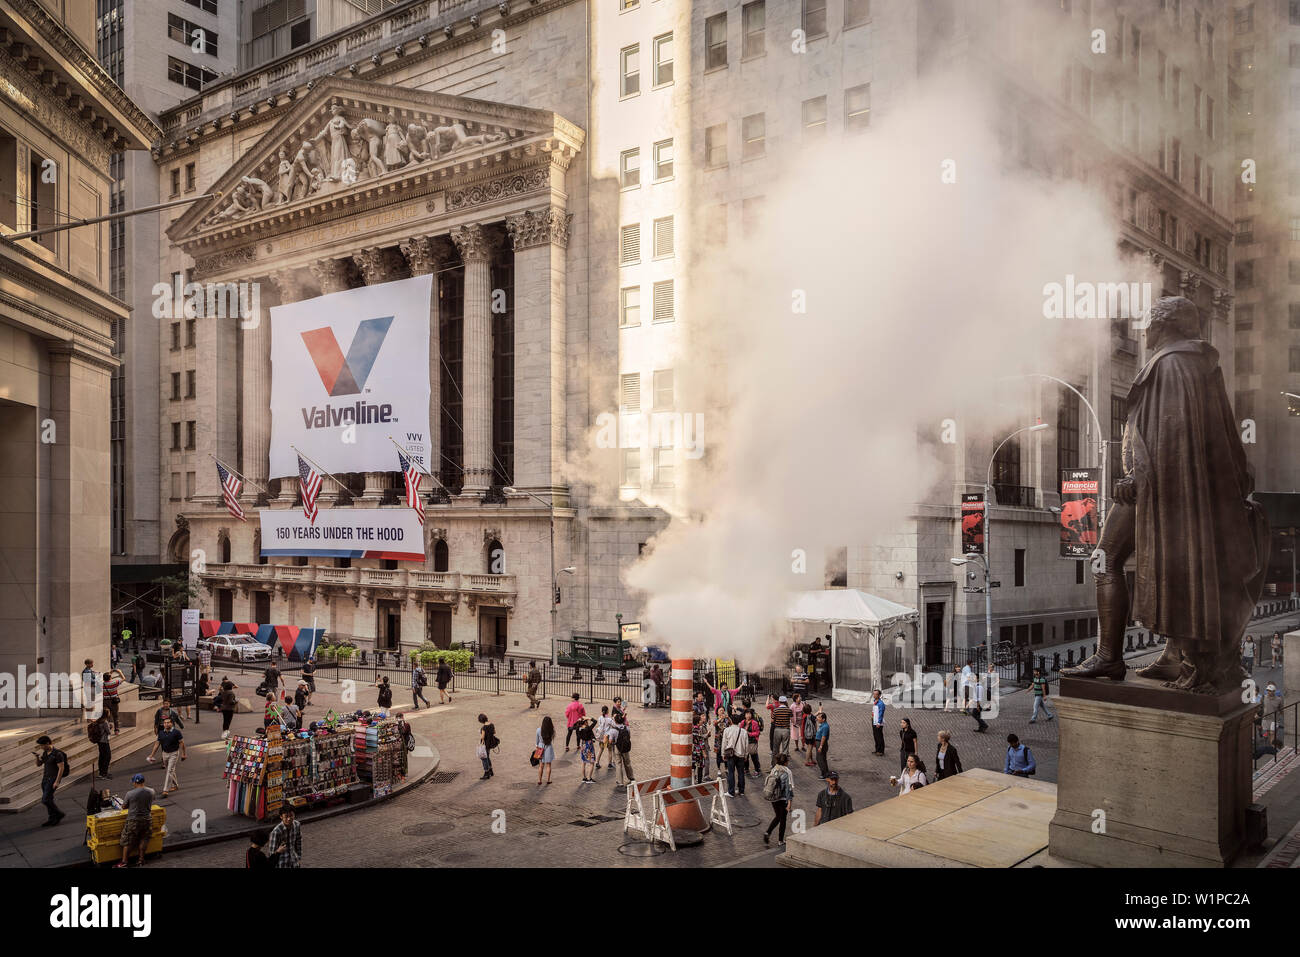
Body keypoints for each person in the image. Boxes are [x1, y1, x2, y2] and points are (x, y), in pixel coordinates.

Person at [116, 773, 154, 868]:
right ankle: (141, 860)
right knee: (144, 839)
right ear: (143, 781)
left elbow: (124, 806)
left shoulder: (130, 793)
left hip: (133, 820)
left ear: (134, 782)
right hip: (147, 819)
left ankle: (124, 862)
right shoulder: (151, 791)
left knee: (127, 840)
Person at [147, 714, 186, 795]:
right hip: (164, 754)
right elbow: (157, 744)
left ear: (171, 723)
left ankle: (165, 790)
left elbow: (182, 743)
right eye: (165, 723)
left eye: (168, 722)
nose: (166, 724)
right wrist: (152, 755)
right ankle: (175, 785)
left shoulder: (176, 732)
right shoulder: (161, 733)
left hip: (174, 753)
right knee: (171, 770)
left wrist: (184, 754)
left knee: (169, 771)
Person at [34, 735, 69, 826]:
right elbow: (39, 764)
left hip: (53, 779)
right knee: (49, 799)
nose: (41, 747)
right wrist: (37, 757)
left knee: (45, 800)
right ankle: (52, 818)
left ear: (47, 743)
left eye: (42, 745)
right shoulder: (45, 753)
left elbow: (61, 768)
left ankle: (59, 814)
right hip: (45, 779)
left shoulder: (57, 754)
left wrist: (57, 781)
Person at [763, 752, 794, 846]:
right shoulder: (787, 772)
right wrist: (789, 803)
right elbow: (789, 789)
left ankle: (768, 832)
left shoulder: (774, 769)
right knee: (783, 819)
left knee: (778, 816)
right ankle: (780, 840)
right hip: (782, 798)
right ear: (785, 762)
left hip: (773, 798)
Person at [721, 715, 749, 797]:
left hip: (730, 755)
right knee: (741, 773)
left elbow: (724, 743)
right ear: (739, 722)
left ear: (731, 721)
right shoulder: (743, 731)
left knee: (731, 773)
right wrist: (746, 755)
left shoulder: (727, 730)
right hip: (741, 755)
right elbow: (746, 745)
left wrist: (723, 754)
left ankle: (731, 791)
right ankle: (741, 791)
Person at [612, 712, 635, 788]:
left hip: (617, 748)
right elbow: (629, 736)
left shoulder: (614, 730)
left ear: (615, 721)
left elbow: (611, 741)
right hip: (626, 748)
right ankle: (631, 777)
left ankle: (620, 781)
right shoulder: (627, 728)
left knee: (618, 764)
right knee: (627, 763)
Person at [89, 713, 112, 778]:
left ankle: (101, 772)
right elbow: (108, 732)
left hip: (99, 741)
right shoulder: (105, 722)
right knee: (107, 757)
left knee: (102, 756)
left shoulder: (98, 721)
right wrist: (110, 727)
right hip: (104, 741)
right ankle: (104, 773)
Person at [102, 668, 124, 734]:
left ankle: (107, 728)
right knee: (115, 715)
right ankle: (116, 730)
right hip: (113, 701)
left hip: (105, 701)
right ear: (110, 677)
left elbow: (105, 678)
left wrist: (109, 673)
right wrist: (120, 672)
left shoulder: (101, 684)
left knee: (106, 715)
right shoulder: (114, 683)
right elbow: (123, 679)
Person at [742, 708, 763, 776]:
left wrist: (749, 733)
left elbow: (757, 733)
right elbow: (740, 730)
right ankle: (746, 769)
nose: (748, 715)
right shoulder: (743, 722)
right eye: (746, 714)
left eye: (749, 714)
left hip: (752, 742)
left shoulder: (754, 723)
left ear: (751, 715)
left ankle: (757, 769)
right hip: (745, 742)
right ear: (744, 715)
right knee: (746, 757)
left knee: (754, 756)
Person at [535, 715, 556, 785]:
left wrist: (537, 748)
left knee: (541, 765)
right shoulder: (552, 730)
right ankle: (548, 780)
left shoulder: (538, 730)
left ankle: (539, 780)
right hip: (548, 747)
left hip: (540, 747)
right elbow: (553, 738)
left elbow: (536, 742)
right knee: (548, 765)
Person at [691, 710, 711, 783]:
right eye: (700, 720)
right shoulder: (697, 730)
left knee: (693, 766)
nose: (701, 721)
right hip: (698, 751)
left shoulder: (693, 729)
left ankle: (693, 780)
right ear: (697, 722)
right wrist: (704, 753)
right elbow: (701, 742)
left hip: (694, 750)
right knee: (700, 766)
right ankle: (699, 781)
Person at [577, 716, 597, 783]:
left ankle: (584, 778)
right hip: (589, 745)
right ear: (585, 722)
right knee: (592, 761)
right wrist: (589, 718)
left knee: (584, 762)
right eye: (586, 721)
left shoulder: (579, 728)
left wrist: (580, 720)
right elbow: (595, 721)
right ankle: (589, 778)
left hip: (583, 744)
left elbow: (575, 725)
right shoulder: (588, 728)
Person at [478, 713, 497, 779]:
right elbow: (494, 732)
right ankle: (491, 770)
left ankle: (487, 772)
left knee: (484, 758)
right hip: (490, 743)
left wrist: (480, 744)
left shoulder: (484, 728)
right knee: (487, 757)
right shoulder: (491, 724)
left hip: (485, 744)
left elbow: (482, 737)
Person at [813, 711, 832, 777]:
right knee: (823, 758)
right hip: (819, 742)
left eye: (819, 717)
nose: (817, 718)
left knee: (820, 759)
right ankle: (826, 772)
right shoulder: (822, 725)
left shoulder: (825, 727)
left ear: (823, 719)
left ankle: (824, 773)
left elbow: (823, 737)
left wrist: (820, 746)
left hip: (821, 743)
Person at [870, 689, 887, 755]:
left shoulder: (881, 704)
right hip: (874, 721)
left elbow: (881, 714)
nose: (874, 695)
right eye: (873, 694)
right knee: (875, 736)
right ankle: (877, 749)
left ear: (879, 695)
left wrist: (879, 722)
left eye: (876, 694)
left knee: (879, 736)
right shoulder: (875, 702)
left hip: (878, 722)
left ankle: (881, 751)